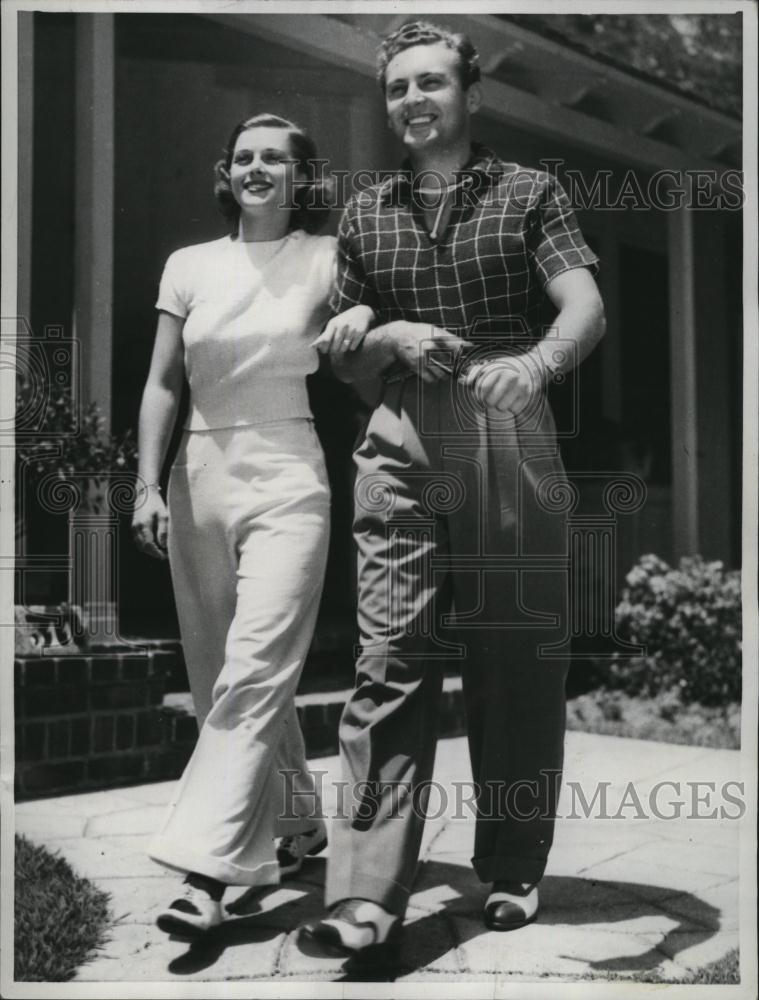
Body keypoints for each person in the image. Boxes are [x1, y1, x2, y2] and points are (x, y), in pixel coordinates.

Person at [302, 21, 605, 962]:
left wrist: (537, 364)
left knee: (513, 662)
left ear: (469, 95)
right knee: (388, 657)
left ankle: (512, 865)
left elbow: (583, 305)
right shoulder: (363, 213)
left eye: (430, 83)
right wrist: (375, 341)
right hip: (397, 434)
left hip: (504, 421)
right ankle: (365, 896)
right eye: (397, 88)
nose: (412, 101)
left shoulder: (530, 192)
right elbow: (346, 366)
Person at [131, 112, 372, 937]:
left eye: (275, 157)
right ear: (225, 172)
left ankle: (208, 875)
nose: (257, 168)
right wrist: (146, 486)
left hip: (288, 472)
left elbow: (369, 324)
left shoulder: (327, 254)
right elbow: (164, 382)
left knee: (255, 667)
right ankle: (301, 826)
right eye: (244, 157)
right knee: (215, 682)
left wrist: (359, 319)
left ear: (300, 176)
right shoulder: (189, 265)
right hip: (198, 474)